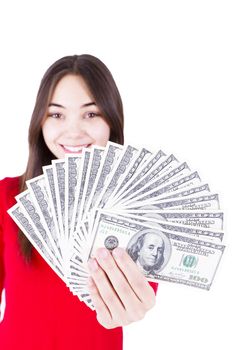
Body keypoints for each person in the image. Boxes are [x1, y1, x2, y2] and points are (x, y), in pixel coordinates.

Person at [0, 54, 158, 349]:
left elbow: (141, 295)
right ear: (40, 122)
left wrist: (133, 306)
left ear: (112, 120)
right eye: (56, 114)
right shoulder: (6, 197)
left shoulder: (134, 208)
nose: (73, 132)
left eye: (91, 114)